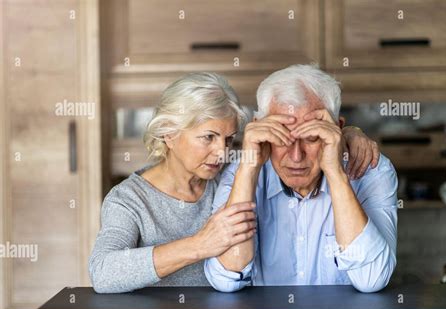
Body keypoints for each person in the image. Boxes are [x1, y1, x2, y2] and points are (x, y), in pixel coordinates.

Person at [89, 71, 381, 293]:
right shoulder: (128, 199)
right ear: (169, 133)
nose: (222, 152)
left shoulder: (233, 175)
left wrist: (349, 135)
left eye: (229, 139)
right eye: (209, 137)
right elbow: (103, 272)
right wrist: (200, 245)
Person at [204, 64, 398, 293]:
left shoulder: (370, 169)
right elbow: (225, 280)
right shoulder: (240, 173)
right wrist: (248, 169)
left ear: (337, 130)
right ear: (259, 129)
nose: (296, 156)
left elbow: (372, 279)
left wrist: (336, 173)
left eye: (313, 136)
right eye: (281, 135)